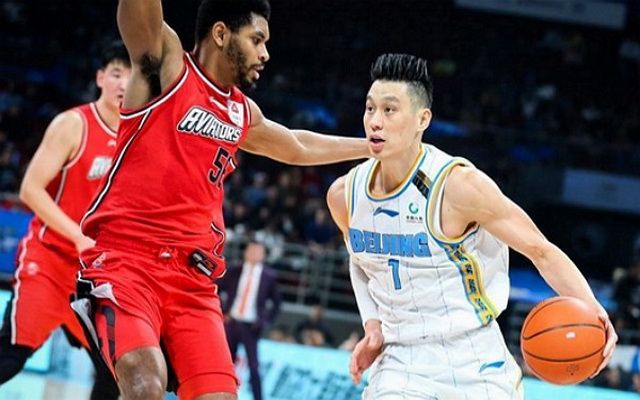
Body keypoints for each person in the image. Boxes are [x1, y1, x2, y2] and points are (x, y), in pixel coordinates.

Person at [72, 1, 370, 399]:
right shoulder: (167, 67)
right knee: (144, 385)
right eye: (256, 40)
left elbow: (297, 145)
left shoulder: (241, 111)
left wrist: (371, 148)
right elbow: (139, 12)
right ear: (220, 33)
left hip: (193, 282)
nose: (265, 53)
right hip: (128, 264)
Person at [326, 53, 618, 399]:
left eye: (389, 110)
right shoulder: (345, 195)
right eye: (370, 108)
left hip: (473, 361)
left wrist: (593, 310)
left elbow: (539, 250)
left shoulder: (459, 186)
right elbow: (361, 264)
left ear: (422, 119)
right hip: (399, 363)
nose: (375, 121)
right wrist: (372, 326)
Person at [0, 41, 129, 399]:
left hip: (93, 274)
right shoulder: (73, 124)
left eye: (132, 77)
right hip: (50, 259)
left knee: (117, 372)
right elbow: (30, 189)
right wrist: (77, 235)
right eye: (116, 74)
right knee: (10, 357)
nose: (124, 84)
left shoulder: (137, 138)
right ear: (100, 78)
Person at [219, 240, 281, 400]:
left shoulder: (269, 276)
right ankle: (224, 395)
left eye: (258, 251)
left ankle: (258, 397)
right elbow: (216, 288)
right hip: (231, 323)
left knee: (254, 366)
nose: (254, 254)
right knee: (226, 364)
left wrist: (265, 321)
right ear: (245, 252)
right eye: (251, 250)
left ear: (263, 255)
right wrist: (222, 312)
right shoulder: (235, 270)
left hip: (251, 327)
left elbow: (277, 303)